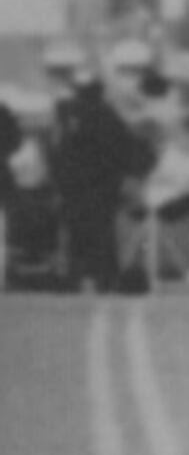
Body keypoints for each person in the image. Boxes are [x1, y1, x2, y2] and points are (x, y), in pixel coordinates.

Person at [42, 56, 155, 292]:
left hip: (81, 186)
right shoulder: (99, 114)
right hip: (95, 186)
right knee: (97, 231)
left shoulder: (69, 113)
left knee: (79, 231)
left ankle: (77, 277)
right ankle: (98, 277)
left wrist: (56, 179)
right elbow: (127, 148)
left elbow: (54, 150)